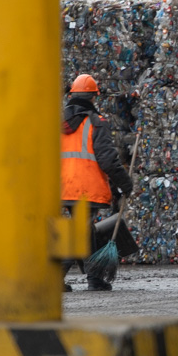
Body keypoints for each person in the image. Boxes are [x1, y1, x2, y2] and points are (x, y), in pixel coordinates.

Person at [61, 74, 133, 291]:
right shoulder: (95, 122)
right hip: (86, 188)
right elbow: (108, 160)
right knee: (81, 232)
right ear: (93, 98)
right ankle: (58, 278)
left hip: (64, 188)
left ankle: (94, 277)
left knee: (85, 230)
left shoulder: (58, 123)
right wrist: (125, 184)